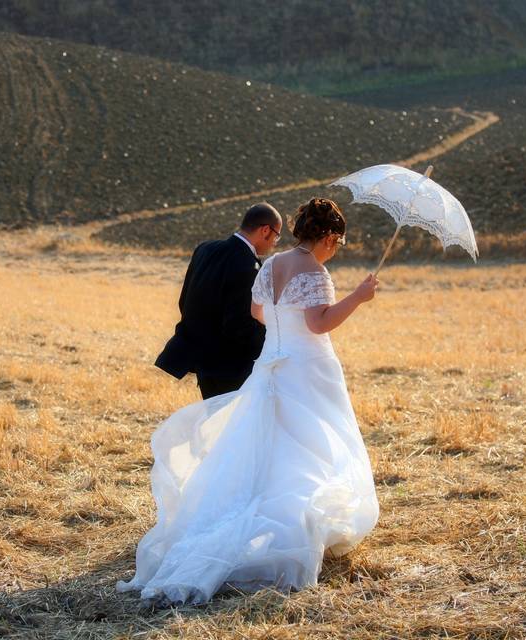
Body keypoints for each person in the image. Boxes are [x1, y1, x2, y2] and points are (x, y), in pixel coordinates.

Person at [118, 197, 380, 606]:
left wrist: (283, 327)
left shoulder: (272, 263)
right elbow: (319, 322)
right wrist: (359, 297)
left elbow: (258, 312)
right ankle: (300, 530)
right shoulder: (315, 271)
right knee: (308, 449)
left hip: (270, 365)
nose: (335, 250)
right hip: (306, 368)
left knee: (261, 448)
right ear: (329, 236)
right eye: (337, 243)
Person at [155, 203, 283, 399]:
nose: (275, 242)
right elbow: (239, 325)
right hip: (231, 367)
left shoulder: (205, 249)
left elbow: (185, 301)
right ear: (265, 230)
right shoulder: (248, 266)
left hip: (203, 362)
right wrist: (270, 348)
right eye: (276, 236)